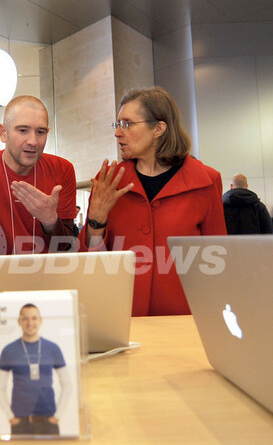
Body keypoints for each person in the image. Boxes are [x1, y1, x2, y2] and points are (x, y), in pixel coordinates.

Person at [80, 86, 226, 316]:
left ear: (158, 128)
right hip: (123, 315)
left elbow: (216, 259)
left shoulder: (206, 181)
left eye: (127, 124)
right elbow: (91, 262)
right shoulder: (109, 181)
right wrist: (95, 222)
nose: (117, 133)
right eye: (117, 124)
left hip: (184, 319)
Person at [0, 95, 77, 255]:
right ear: (3, 133)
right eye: (23, 130)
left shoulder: (63, 169)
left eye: (40, 132)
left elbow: (66, 247)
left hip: (49, 269)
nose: (33, 141)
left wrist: (51, 221)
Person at [0, 304, 71, 436]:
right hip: (20, 422)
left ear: (40, 321)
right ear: (19, 322)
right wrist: (10, 417)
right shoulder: (8, 350)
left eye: (34, 318)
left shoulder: (53, 348)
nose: (30, 323)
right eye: (25, 318)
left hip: (48, 420)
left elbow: (67, 384)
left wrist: (57, 416)